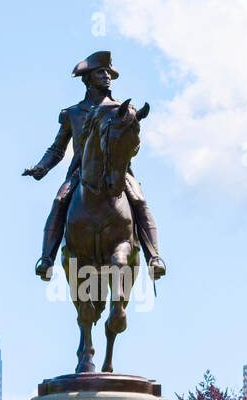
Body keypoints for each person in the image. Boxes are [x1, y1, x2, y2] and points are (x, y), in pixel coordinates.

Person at [22, 51, 166, 281]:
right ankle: (46, 259)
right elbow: (58, 149)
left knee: (139, 200)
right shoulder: (73, 113)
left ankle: (153, 257)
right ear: (88, 78)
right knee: (60, 201)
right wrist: (42, 167)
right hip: (81, 174)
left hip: (118, 172)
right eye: (101, 72)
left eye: (108, 73)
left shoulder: (122, 109)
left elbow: (132, 143)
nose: (107, 76)